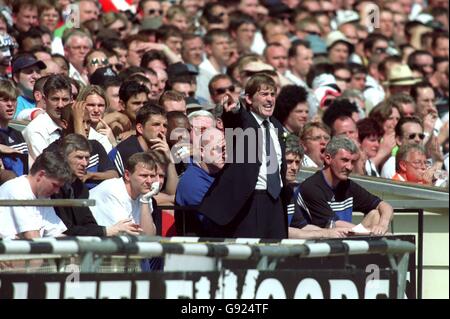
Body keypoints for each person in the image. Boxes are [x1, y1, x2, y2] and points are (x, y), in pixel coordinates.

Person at [199, 74, 287, 239]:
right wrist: (235, 108)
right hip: (249, 203)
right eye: (263, 94)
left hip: (276, 202)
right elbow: (235, 118)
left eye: (272, 94)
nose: (269, 99)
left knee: (277, 257)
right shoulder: (243, 123)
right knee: (248, 258)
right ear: (248, 99)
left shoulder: (276, 125)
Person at [296, 136, 394, 235]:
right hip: (317, 244)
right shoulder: (311, 187)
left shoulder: (347, 185)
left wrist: (382, 225)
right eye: (344, 160)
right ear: (328, 159)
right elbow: (334, 224)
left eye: (352, 162)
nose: (350, 167)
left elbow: (384, 205)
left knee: (376, 214)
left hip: (343, 240)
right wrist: (373, 232)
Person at [52, 133, 142, 236]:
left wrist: (111, 230)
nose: (85, 163)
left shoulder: (80, 187)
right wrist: (108, 231)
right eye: (79, 157)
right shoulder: (54, 187)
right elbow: (65, 229)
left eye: (87, 158)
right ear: (64, 157)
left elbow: (88, 224)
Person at [0, 151, 71, 239]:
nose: (57, 191)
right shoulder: (17, 190)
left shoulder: (43, 196)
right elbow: (32, 238)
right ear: (41, 175)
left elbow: (56, 234)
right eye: (55, 185)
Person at [89, 152, 160, 236]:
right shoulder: (113, 190)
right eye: (144, 176)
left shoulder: (145, 195)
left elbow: (148, 236)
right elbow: (126, 235)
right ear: (127, 175)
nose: (149, 181)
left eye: (152, 176)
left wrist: (145, 200)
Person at [175, 127, 226, 235]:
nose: (224, 155)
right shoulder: (192, 182)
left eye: (225, 149)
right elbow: (215, 222)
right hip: (199, 247)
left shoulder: (221, 172)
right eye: (217, 149)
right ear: (202, 151)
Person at [22, 74, 72, 160]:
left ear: (71, 100)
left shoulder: (76, 124)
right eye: (55, 99)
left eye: (65, 100)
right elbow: (48, 167)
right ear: (45, 100)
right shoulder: (35, 130)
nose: (60, 105)